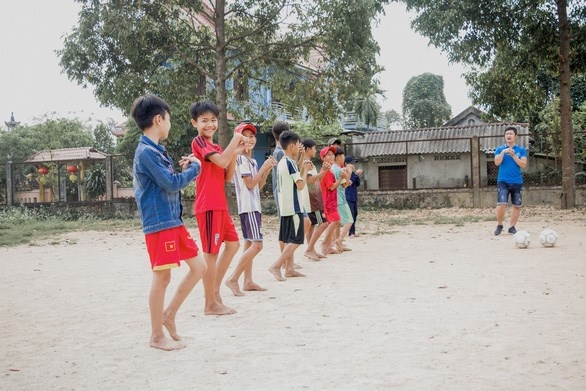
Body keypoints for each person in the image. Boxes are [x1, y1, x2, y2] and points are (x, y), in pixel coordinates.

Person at [131, 94, 206, 351]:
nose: (170, 125)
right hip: (160, 223)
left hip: (172, 220)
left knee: (199, 267)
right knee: (162, 279)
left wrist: (185, 168)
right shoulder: (146, 152)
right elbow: (171, 183)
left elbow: (168, 181)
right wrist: (195, 169)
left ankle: (169, 315)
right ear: (158, 119)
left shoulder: (154, 151)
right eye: (169, 120)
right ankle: (156, 336)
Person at [190, 100, 247, 315]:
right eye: (204, 120)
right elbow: (222, 162)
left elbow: (227, 174)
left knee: (232, 245)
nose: (210, 124)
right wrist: (234, 141)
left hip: (219, 205)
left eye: (213, 120)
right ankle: (210, 303)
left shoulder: (215, 147)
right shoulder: (199, 142)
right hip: (208, 205)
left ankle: (214, 292)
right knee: (211, 253)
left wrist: (236, 152)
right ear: (194, 123)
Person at [225, 122, 277, 296]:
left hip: (253, 206)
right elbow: (249, 185)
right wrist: (264, 167)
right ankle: (233, 279)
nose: (250, 139)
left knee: (249, 244)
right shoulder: (240, 159)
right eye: (245, 136)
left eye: (252, 136)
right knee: (257, 245)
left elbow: (258, 186)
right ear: (238, 139)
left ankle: (247, 281)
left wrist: (266, 170)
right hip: (248, 207)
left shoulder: (252, 161)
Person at [268, 130, 311, 281]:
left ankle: (290, 268)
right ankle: (277, 265)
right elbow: (300, 185)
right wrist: (305, 170)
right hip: (294, 207)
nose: (300, 146)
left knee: (289, 239)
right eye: (299, 143)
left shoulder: (282, 163)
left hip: (285, 207)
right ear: (292, 146)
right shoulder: (290, 163)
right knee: (296, 239)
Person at [494, 126, 528, 236]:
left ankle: (512, 227)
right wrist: (503, 152)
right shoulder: (499, 149)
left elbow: (523, 165)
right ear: (505, 136)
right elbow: (496, 163)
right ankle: (499, 225)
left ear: (515, 136)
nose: (508, 135)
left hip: (517, 181)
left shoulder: (521, 150)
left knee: (517, 206)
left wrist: (513, 156)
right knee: (501, 204)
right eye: (506, 134)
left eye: (511, 134)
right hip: (502, 181)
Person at [301, 138, 330, 261]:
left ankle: (311, 249)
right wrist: (323, 170)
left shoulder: (309, 163)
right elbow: (310, 180)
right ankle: (309, 249)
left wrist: (324, 170)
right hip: (312, 200)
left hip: (314, 198)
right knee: (324, 222)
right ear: (308, 149)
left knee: (312, 225)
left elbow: (316, 179)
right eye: (314, 148)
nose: (315, 151)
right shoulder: (305, 163)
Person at [319, 146, 349, 255]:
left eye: (332, 154)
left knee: (334, 221)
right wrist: (341, 178)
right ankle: (325, 244)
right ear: (323, 157)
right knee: (335, 220)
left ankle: (328, 245)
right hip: (328, 201)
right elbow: (331, 187)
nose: (332, 156)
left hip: (332, 200)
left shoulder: (329, 169)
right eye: (329, 155)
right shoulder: (327, 171)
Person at [332, 148, 353, 252]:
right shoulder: (339, 170)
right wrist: (349, 172)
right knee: (349, 221)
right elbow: (345, 185)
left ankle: (338, 244)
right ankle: (339, 240)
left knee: (337, 222)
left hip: (333, 199)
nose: (344, 158)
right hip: (340, 199)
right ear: (339, 157)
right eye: (343, 156)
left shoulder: (332, 168)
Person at [344, 155, 363, 237]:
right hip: (348, 197)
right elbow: (349, 183)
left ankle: (352, 232)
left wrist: (357, 175)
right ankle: (351, 232)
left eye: (353, 163)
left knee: (355, 214)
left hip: (354, 196)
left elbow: (357, 184)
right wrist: (354, 173)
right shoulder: (345, 173)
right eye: (351, 163)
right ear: (346, 164)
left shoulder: (353, 174)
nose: (353, 165)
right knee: (350, 215)